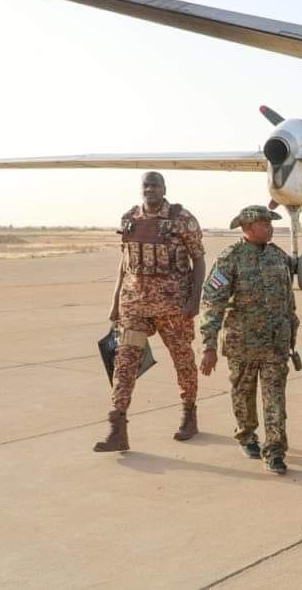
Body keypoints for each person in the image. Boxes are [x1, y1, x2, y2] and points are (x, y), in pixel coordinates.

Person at [95, 172, 205, 452]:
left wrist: (194, 300)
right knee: (125, 362)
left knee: (183, 360)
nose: (150, 190)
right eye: (146, 185)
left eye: (155, 185)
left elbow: (199, 259)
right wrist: (115, 301)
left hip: (173, 307)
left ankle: (189, 414)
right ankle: (117, 427)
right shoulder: (129, 219)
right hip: (135, 307)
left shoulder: (183, 219)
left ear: (164, 189)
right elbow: (125, 262)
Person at [198, 205, 299, 474]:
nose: (270, 228)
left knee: (275, 398)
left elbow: (288, 300)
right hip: (242, 344)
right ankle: (246, 434)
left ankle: (275, 450)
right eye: (264, 224)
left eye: (270, 223)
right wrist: (208, 345)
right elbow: (212, 304)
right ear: (247, 228)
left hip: (275, 345)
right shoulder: (230, 258)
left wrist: (291, 332)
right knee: (243, 394)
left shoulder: (278, 256)